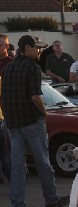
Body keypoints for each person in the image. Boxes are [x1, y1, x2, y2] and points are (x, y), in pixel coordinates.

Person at [1, 35, 69, 207]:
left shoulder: (8, 68)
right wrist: (45, 114)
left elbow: (4, 98)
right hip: (32, 123)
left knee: (17, 167)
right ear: (26, 48)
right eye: (36, 48)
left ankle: (18, 206)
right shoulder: (32, 67)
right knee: (43, 163)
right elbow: (35, 97)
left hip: (13, 125)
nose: (39, 51)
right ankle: (52, 199)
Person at [0, 33, 13, 183]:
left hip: (6, 113)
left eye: (1, 44)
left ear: (7, 46)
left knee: (6, 150)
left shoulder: (11, 63)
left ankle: (12, 179)